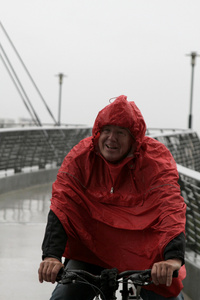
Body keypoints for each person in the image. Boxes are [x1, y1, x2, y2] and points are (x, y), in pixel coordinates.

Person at [38, 95, 186, 300]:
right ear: (97, 132)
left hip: (144, 253)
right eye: (106, 130)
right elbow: (63, 205)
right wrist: (51, 256)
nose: (111, 138)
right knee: (64, 297)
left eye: (121, 133)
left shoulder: (155, 160)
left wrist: (172, 259)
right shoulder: (80, 157)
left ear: (135, 139)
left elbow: (170, 208)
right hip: (92, 250)